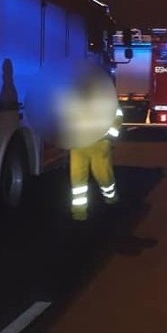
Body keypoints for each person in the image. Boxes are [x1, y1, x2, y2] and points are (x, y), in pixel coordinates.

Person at [61, 66, 124, 221]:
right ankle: (79, 213)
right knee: (78, 181)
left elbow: (117, 116)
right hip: (80, 144)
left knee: (104, 177)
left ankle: (111, 201)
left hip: (98, 144)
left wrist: (108, 137)